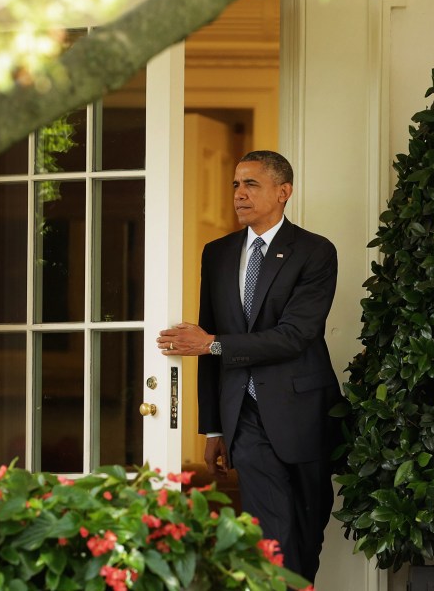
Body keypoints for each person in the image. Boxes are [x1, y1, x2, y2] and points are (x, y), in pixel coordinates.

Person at [157, 150, 340, 583]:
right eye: (236, 185)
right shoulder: (216, 253)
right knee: (270, 531)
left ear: (283, 192)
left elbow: (296, 335)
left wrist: (213, 344)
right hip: (247, 417)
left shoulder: (315, 252)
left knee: (307, 531)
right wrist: (215, 428)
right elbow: (207, 340)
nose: (239, 194)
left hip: (304, 414)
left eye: (251, 184)